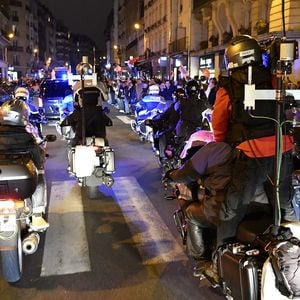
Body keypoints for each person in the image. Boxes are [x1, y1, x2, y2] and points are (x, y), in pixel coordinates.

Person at [211, 35, 297, 252]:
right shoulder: (274, 78)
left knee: (232, 209)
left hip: (251, 155)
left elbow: (218, 124)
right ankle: (293, 252)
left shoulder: (228, 86)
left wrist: (224, 145)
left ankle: (222, 256)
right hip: (282, 151)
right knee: (284, 204)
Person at [163, 137, 234, 277]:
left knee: (191, 213)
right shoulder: (260, 145)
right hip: (260, 205)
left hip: (227, 207)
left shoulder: (218, 149)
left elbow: (187, 172)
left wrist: (171, 176)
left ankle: (201, 260)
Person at [0, 99, 49, 231]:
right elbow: (38, 162)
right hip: (19, 184)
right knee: (40, 176)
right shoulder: (27, 135)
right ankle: (37, 214)